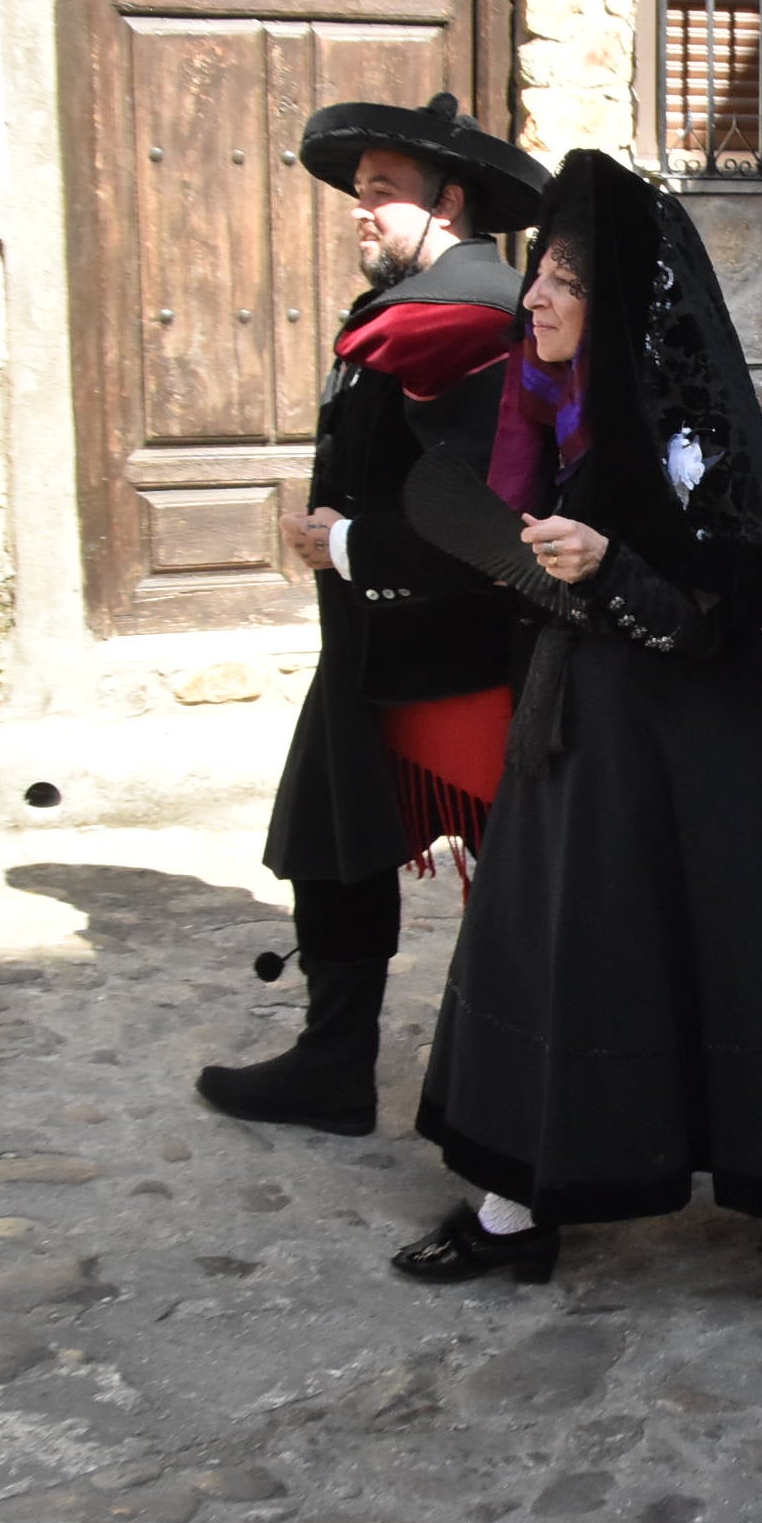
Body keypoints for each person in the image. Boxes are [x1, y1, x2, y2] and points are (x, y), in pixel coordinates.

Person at [395, 153, 762, 1283]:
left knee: (749, 959)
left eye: (566, 280)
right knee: (558, 957)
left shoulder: (686, 438)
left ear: (614, 297)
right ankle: (512, 1208)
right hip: (576, 741)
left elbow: (715, 621)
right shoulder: (539, 413)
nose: (538, 299)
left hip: (704, 748)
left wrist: (612, 565)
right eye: (537, 276)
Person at [198, 94, 552, 1138]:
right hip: (378, 651)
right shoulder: (413, 301)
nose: (361, 210)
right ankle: (333, 1064)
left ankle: (521, 1089)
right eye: (359, 192)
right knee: (333, 843)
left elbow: (491, 513)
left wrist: (350, 544)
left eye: (382, 191)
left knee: (523, 878)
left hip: (458, 657)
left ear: (450, 200)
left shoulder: (477, 310)